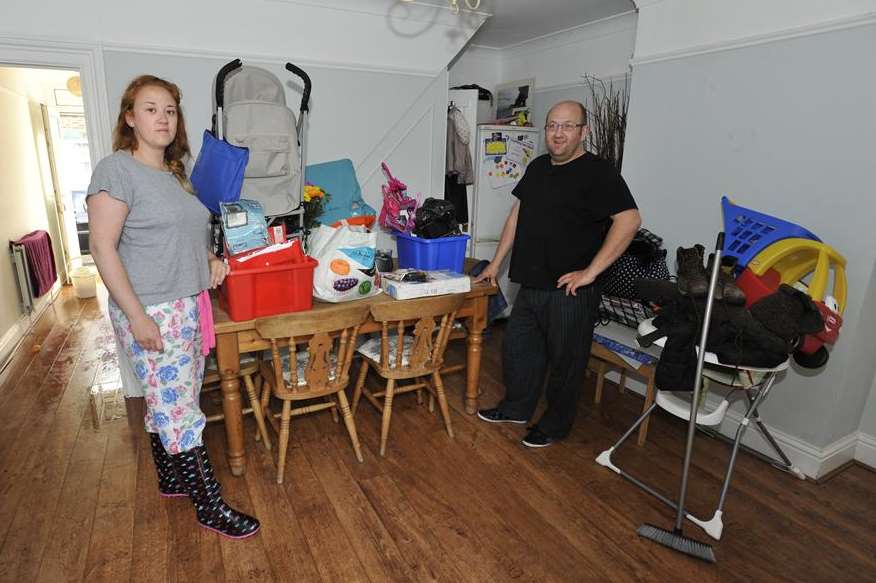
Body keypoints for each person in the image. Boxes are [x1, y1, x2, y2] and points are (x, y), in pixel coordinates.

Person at [87, 75, 259, 538]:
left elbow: (182, 234)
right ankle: (209, 506)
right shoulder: (116, 170)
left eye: (170, 110)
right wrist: (138, 316)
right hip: (152, 307)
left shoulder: (174, 173)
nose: (162, 118)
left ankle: (169, 476)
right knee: (180, 409)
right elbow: (102, 248)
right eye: (150, 108)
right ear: (129, 117)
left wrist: (210, 259)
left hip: (188, 302)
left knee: (168, 400)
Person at [474, 100, 641, 448]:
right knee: (519, 351)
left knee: (566, 364)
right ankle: (517, 408)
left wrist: (591, 272)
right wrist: (495, 263)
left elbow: (629, 221)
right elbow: (516, 217)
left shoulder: (599, 173)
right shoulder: (537, 168)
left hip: (570, 291)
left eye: (567, 126)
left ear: (584, 131)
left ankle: (554, 425)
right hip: (530, 281)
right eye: (552, 126)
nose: (558, 133)